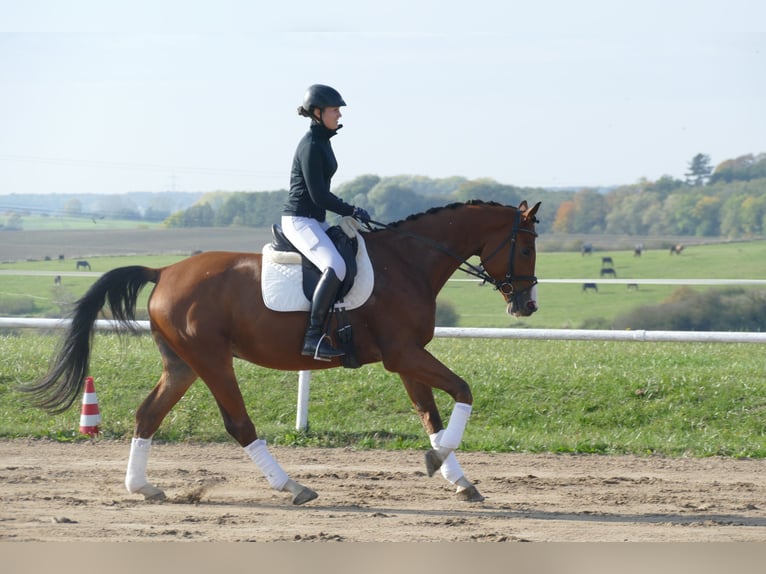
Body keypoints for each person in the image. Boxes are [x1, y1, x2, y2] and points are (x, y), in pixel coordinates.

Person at [281, 84, 371, 361]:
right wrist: (351, 209)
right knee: (335, 265)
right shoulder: (310, 145)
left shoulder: (323, 141)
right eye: (335, 110)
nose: (339, 115)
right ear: (318, 113)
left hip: (314, 221)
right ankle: (313, 337)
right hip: (299, 220)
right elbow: (318, 195)